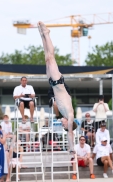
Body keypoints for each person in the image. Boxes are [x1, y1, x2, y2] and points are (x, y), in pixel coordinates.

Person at [38, 21, 74, 153]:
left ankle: (42, 35)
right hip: (58, 81)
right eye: (65, 126)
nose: (63, 124)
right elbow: (70, 134)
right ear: (70, 125)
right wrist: (72, 148)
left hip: (52, 82)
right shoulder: (70, 116)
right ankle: (47, 34)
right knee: (51, 57)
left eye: (63, 125)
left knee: (47, 58)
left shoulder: (62, 114)